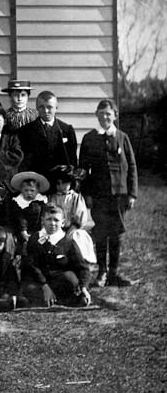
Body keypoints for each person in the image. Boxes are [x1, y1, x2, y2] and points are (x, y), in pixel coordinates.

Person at [79, 99, 138, 287]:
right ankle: (102, 272)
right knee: (101, 233)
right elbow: (83, 170)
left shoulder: (122, 137)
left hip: (119, 195)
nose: (105, 117)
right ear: (97, 115)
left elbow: (132, 166)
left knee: (116, 233)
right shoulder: (90, 138)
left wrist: (132, 194)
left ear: (115, 115)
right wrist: (87, 194)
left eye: (108, 113)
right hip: (98, 195)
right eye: (101, 113)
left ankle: (114, 272)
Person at [19, 204, 92, 307]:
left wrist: (84, 287)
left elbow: (83, 267)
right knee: (30, 290)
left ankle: (62, 298)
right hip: (39, 281)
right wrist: (45, 286)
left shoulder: (68, 241)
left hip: (59, 281)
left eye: (56, 220)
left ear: (63, 222)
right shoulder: (35, 239)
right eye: (49, 219)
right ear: (42, 221)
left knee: (70, 278)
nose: (52, 223)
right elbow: (31, 265)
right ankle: (52, 298)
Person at [17, 91, 77, 184]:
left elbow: (72, 160)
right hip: (36, 183)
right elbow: (23, 162)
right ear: (37, 108)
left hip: (60, 184)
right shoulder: (25, 131)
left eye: (49, 107)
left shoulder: (66, 130)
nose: (46, 111)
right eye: (41, 107)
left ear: (56, 107)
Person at [8, 171, 50, 251]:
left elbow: (43, 215)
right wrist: (23, 231)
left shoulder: (41, 201)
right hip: (22, 230)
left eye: (32, 190)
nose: (29, 193)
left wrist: (42, 229)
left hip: (38, 229)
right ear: (21, 190)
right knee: (22, 244)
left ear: (37, 191)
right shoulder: (19, 202)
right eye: (26, 190)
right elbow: (20, 217)